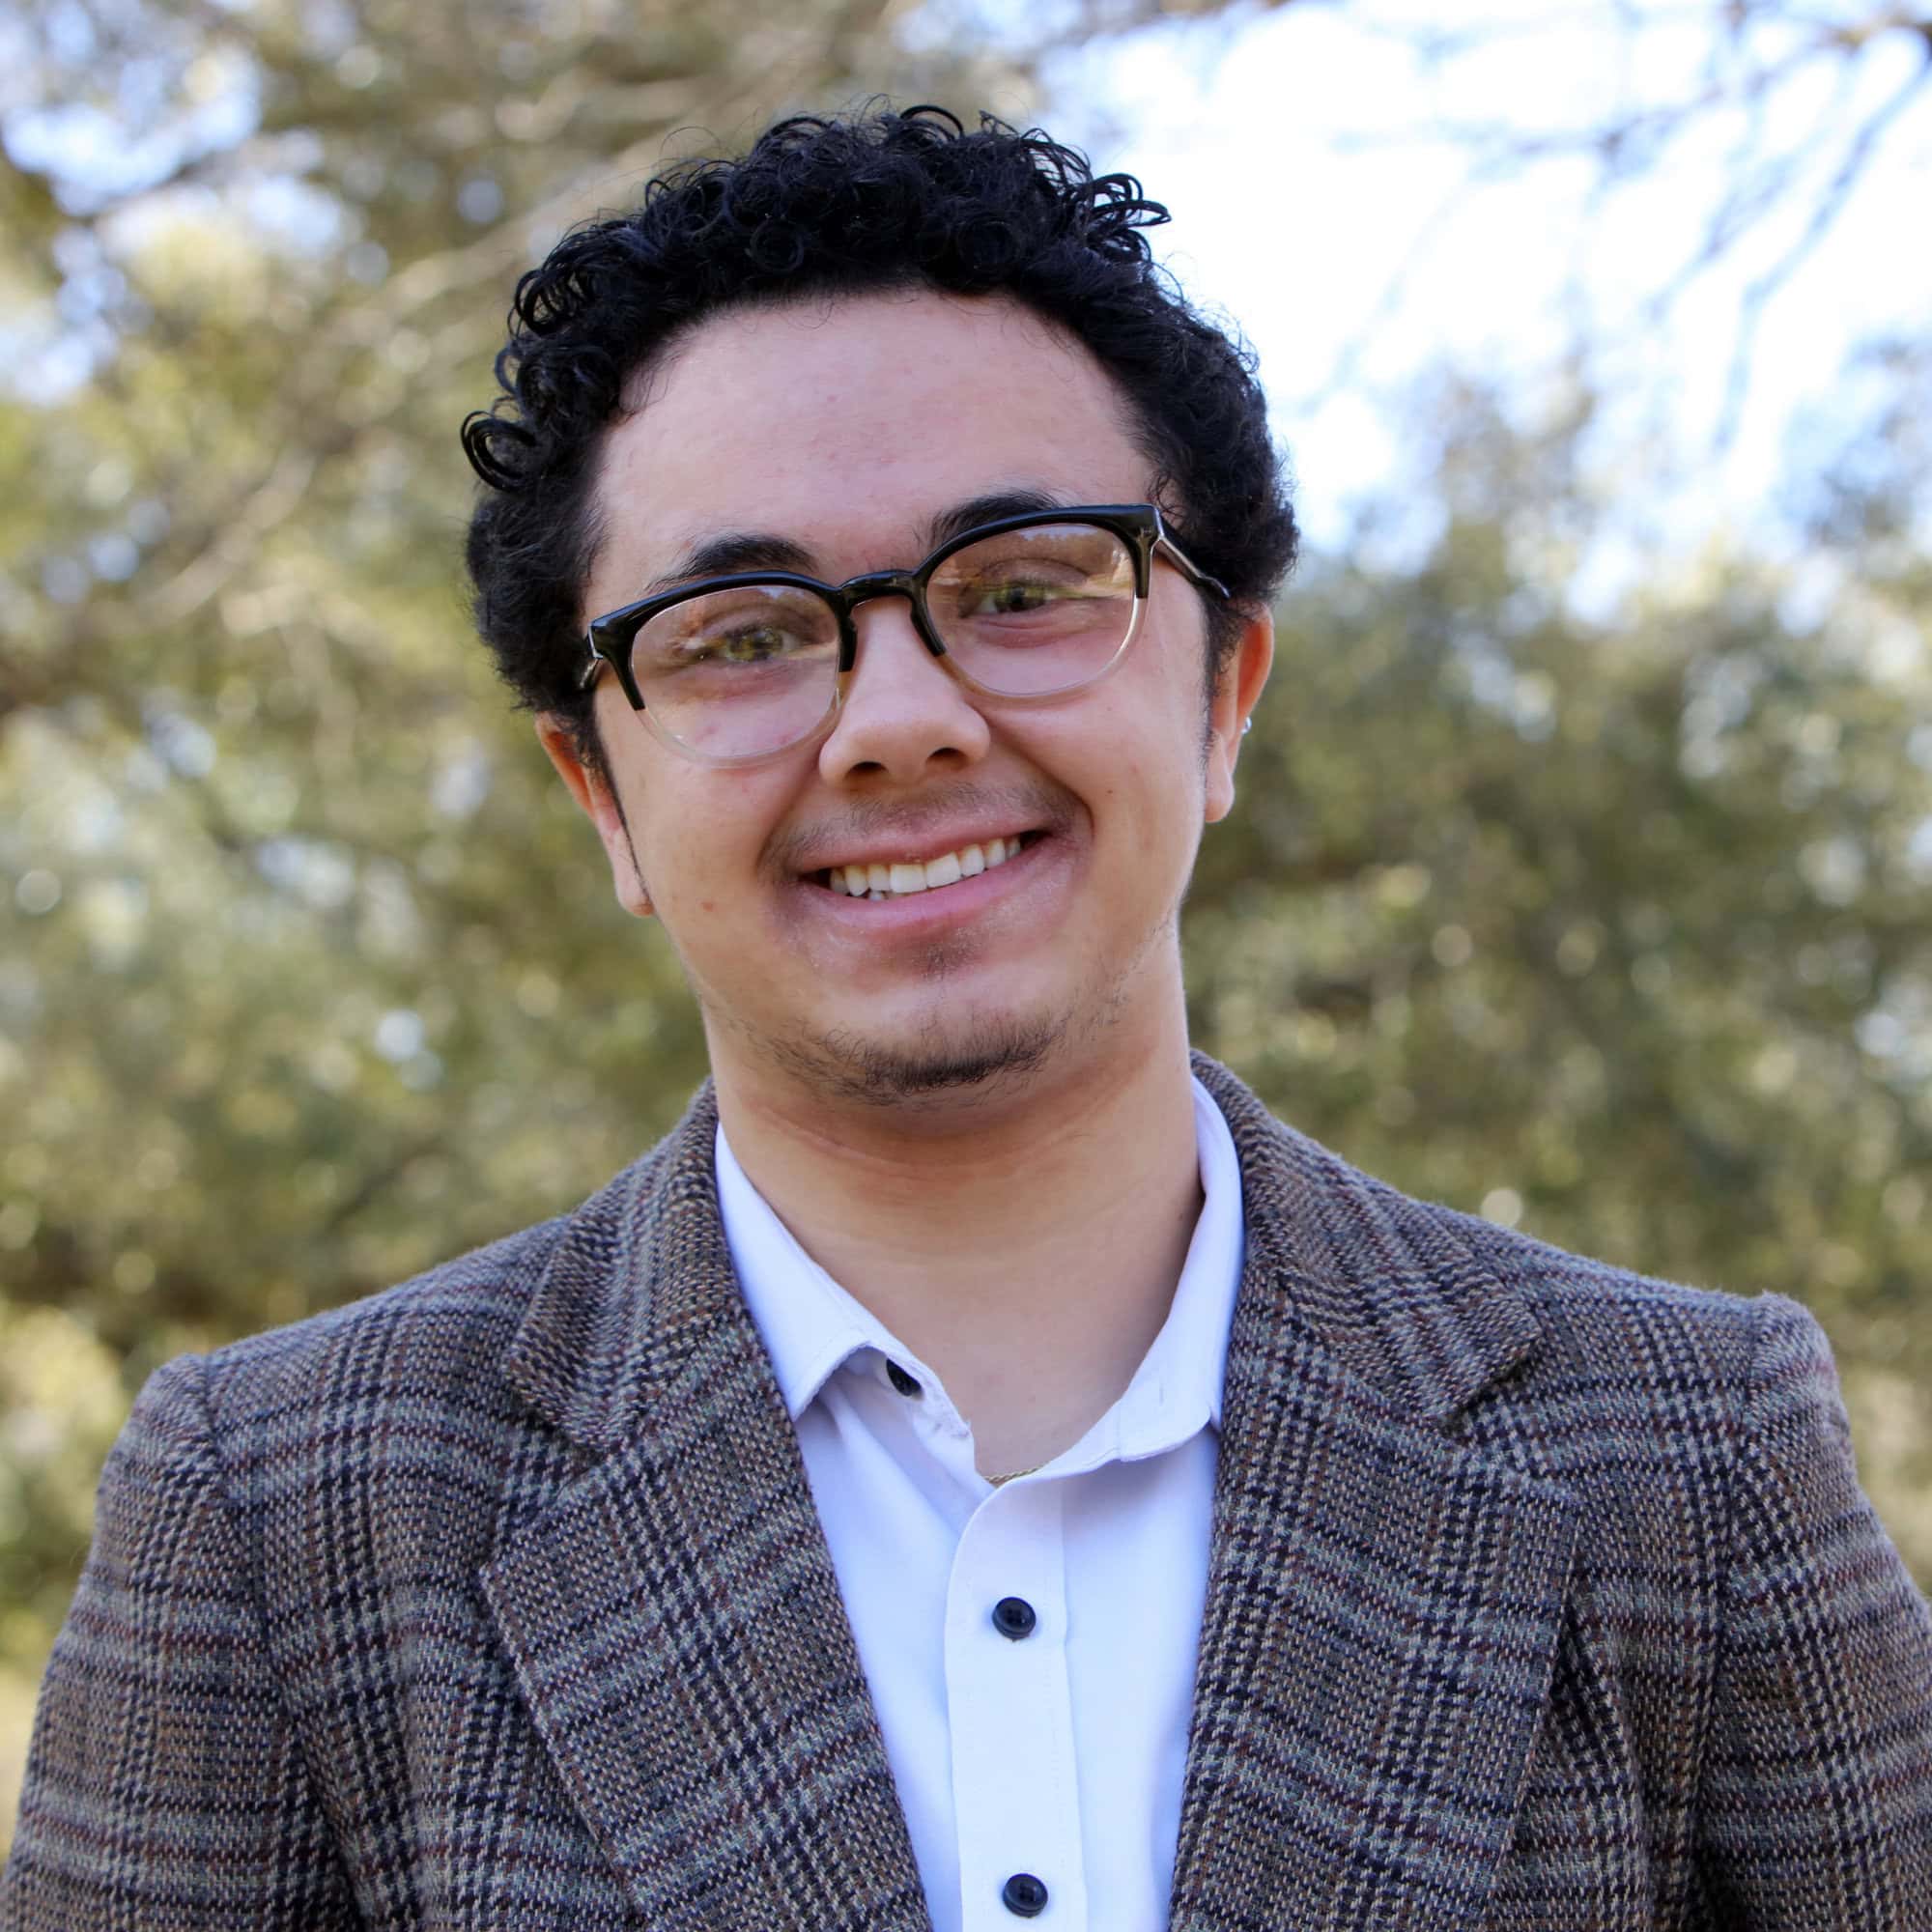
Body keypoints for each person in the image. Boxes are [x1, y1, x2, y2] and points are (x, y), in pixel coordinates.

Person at [4, 103, 1929, 1932]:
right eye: (742, 633)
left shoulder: (1685, 1452)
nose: (900, 716)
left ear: (1224, 692)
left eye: (1019, 587)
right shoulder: (281, 1511)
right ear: (601, 793)